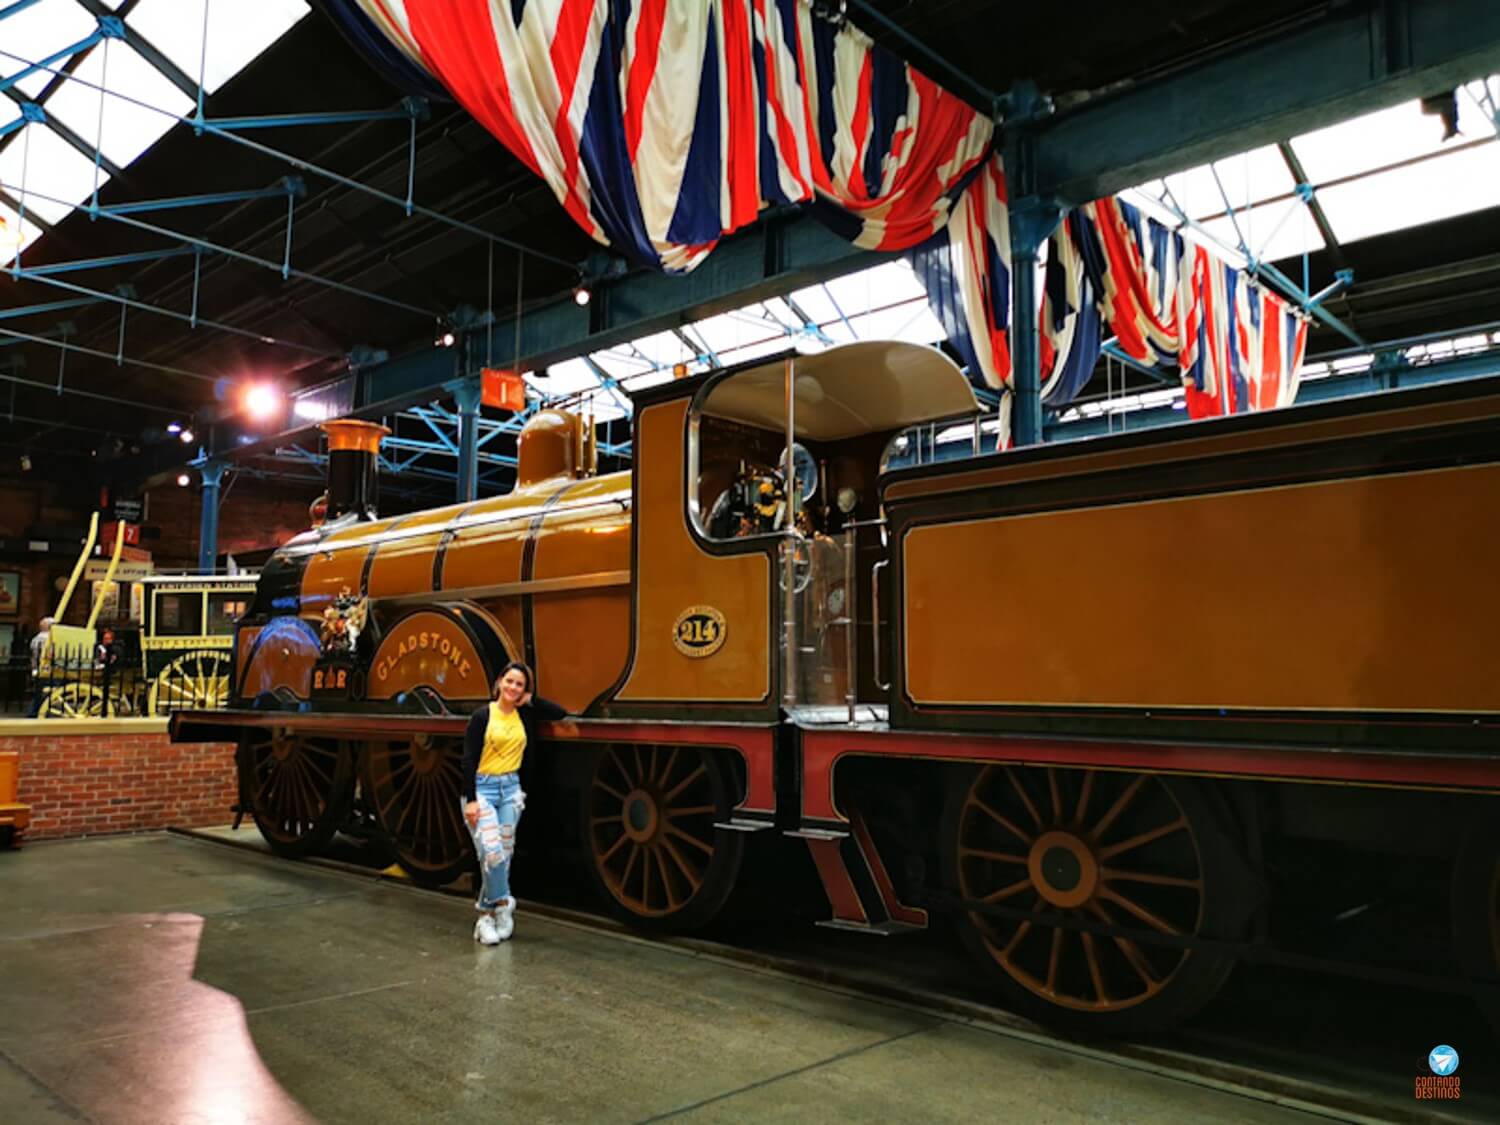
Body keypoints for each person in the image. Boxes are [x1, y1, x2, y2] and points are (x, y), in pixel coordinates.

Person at [461, 661, 565, 945]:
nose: (513, 687)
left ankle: (490, 917)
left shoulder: (524, 715)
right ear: (499, 682)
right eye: (509, 681)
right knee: (491, 854)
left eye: (519, 684)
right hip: (482, 789)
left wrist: (530, 699)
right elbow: (468, 758)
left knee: (503, 857)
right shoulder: (482, 716)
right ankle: (497, 907)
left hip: (510, 790)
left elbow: (559, 713)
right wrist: (470, 799)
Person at [27, 617, 53, 718]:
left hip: (37, 668)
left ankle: (34, 711)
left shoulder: (35, 639)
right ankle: (36, 712)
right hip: (48, 669)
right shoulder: (49, 639)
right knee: (44, 693)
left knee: (39, 691)